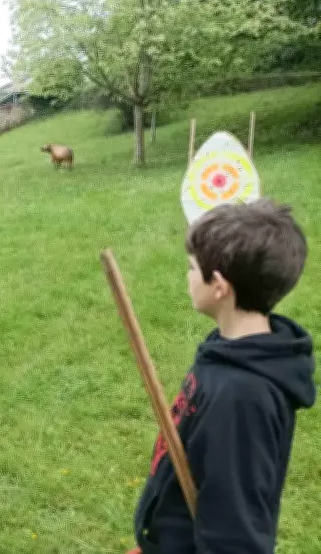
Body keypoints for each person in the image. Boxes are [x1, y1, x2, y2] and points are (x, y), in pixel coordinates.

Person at [129, 198, 314, 554]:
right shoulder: (230, 348)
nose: (186, 275)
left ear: (219, 286)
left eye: (191, 267)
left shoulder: (243, 398)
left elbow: (236, 537)